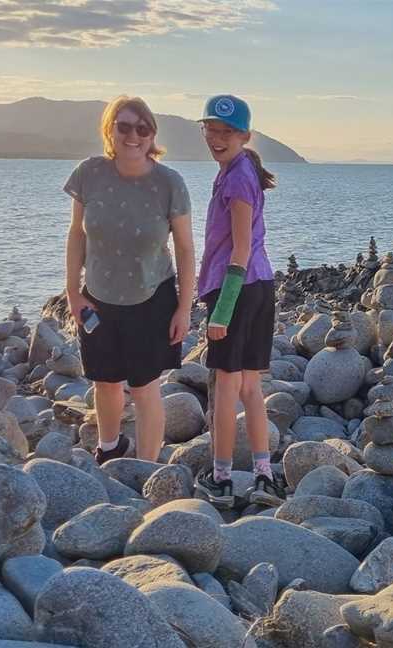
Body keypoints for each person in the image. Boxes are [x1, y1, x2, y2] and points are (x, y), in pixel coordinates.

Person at [63, 95, 195, 465]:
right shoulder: (88, 174)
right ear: (109, 130)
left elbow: (184, 249)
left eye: (143, 128)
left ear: (152, 134)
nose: (133, 135)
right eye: (124, 126)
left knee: (144, 386)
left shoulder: (169, 183)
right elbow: (77, 235)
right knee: (104, 381)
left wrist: (184, 307)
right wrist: (73, 292)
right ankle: (109, 448)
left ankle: (146, 468)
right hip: (98, 298)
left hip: (152, 298)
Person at [193, 94, 284, 508]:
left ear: (245, 135)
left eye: (226, 131)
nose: (216, 137)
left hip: (238, 288)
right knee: (250, 385)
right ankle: (265, 475)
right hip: (260, 287)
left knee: (228, 387)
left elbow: (240, 249)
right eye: (210, 129)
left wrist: (222, 310)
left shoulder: (236, 178)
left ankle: (222, 478)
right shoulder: (241, 168)